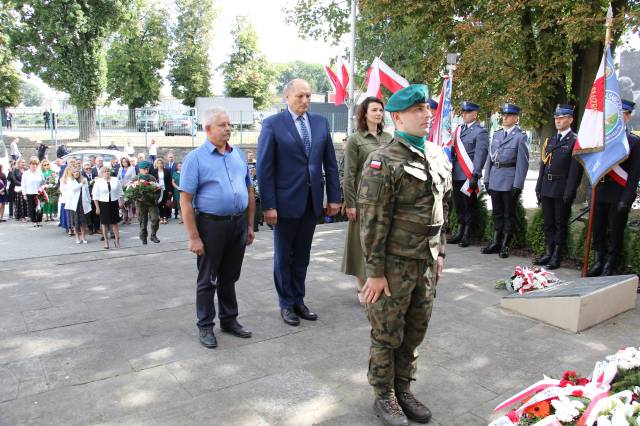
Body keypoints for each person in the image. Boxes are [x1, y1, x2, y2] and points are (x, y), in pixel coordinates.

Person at [358, 84, 451, 426]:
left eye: (427, 108)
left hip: (425, 264)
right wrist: (375, 272)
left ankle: (403, 388)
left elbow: (444, 212)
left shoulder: (438, 155)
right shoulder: (383, 160)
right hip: (393, 266)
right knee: (387, 332)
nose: (427, 114)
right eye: (418, 110)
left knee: (414, 331)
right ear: (397, 117)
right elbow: (372, 222)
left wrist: (440, 255)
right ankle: (384, 396)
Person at [256, 79, 341, 326]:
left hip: (311, 201)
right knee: (284, 256)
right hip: (283, 204)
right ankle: (286, 303)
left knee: (302, 255)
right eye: (300, 96)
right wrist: (268, 205)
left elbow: (331, 164)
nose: (305, 101)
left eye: (308, 96)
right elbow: (264, 168)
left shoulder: (320, 123)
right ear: (287, 97)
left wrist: (334, 197)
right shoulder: (272, 125)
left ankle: (299, 300)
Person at [180, 107, 255, 348]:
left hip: (238, 224)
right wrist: (193, 237)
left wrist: (250, 225)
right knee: (207, 279)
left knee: (229, 276)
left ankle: (229, 319)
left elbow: (249, 190)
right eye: (222, 125)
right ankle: (205, 325)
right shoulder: (195, 159)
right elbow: (186, 200)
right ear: (208, 129)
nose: (228, 129)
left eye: (229, 124)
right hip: (211, 226)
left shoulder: (238, 155)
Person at [341, 96, 392, 305]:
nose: (379, 113)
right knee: (361, 243)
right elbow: (349, 174)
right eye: (374, 110)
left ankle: (378, 281)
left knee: (380, 242)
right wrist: (350, 203)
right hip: (363, 201)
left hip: (385, 201)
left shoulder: (389, 137)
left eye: (381, 110)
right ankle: (361, 285)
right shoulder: (356, 139)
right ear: (364, 113)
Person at [587, 99, 640, 277]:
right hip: (600, 191)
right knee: (598, 228)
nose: (620, 117)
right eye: (617, 114)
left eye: (624, 114)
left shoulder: (633, 142)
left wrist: (627, 198)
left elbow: (634, 174)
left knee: (615, 230)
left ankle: (611, 262)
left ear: (628, 116)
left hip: (619, 193)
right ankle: (598, 260)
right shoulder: (603, 139)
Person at [534, 105, 583, 269]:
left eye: (562, 118)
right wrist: (538, 187)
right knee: (548, 223)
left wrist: (569, 192)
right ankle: (548, 252)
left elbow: (575, 171)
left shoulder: (575, 141)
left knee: (560, 223)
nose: (558, 121)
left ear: (570, 120)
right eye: (556, 118)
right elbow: (543, 166)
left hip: (562, 189)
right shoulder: (551, 140)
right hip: (547, 187)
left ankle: (557, 255)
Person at [482, 103, 529, 258]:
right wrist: (487, 178)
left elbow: (522, 163)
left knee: (509, 214)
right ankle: (496, 241)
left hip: (509, 180)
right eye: (504, 115)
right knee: (497, 212)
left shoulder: (520, 137)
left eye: (509, 115)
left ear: (516, 118)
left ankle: (505, 245)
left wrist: (518, 184)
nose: (505, 117)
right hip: (495, 178)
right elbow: (490, 159)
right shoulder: (496, 134)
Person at [447, 101, 489, 247]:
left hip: (468, 174)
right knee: (459, 204)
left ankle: (467, 234)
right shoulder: (458, 130)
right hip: (456, 172)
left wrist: (475, 174)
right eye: (463, 112)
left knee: (469, 205)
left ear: (475, 114)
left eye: (467, 112)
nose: (464, 114)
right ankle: (459, 231)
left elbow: (480, 154)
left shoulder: (480, 132)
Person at [92, 167, 123, 249]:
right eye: (104, 172)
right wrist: (97, 207)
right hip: (103, 204)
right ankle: (106, 241)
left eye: (108, 171)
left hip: (114, 203)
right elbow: (95, 196)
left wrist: (120, 202)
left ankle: (117, 241)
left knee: (115, 223)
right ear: (101, 174)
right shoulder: (98, 182)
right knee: (104, 223)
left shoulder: (115, 180)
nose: (106, 173)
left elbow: (120, 192)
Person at [132, 161, 160, 244]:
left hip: (152, 202)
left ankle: (153, 235)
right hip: (140, 203)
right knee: (143, 221)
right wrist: (137, 198)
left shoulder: (152, 178)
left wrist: (155, 198)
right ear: (140, 169)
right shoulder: (135, 178)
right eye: (144, 169)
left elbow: (158, 190)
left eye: (147, 169)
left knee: (155, 219)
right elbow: (131, 192)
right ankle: (143, 237)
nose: (146, 171)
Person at [63, 167, 92, 244]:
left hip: (83, 203)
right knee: (76, 223)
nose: (76, 173)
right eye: (74, 172)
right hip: (74, 204)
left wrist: (89, 201)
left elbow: (87, 191)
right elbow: (73, 189)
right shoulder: (70, 180)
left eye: (77, 172)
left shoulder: (84, 179)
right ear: (72, 173)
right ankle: (77, 237)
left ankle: (83, 237)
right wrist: (81, 183)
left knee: (83, 222)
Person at [22, 158, 45, 227]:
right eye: (32, 164)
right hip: (30, 193)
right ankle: (34, 221)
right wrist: (24, 194)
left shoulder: (39, 172)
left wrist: (42, 188)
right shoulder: (26, 173)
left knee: (40, 207)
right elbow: (23, 184)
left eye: (36, 164)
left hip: (39, 193)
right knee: (32, 208)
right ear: (30, 165)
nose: (34, 165)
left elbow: (43, 182)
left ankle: (39, 220)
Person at [152, 158, 173, 224]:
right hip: (158, 189)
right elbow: (152, 181)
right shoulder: (154, 171)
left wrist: (170, 190)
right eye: (158, 163)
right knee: (160, 204)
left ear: (163, 164)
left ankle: (165, 217)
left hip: (165, 189)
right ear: (156, 164)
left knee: (165, 203)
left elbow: (169, 181)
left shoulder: (167, 171)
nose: (160, 164)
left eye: (161, 163)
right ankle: (161, 217)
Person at [118, 157, 136, 224]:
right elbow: (118, 177)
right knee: (122, 202)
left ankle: (129, 218)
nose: (124, 163)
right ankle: (124, 217)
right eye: (123, 162)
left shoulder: (132, 168)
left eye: (125, 162)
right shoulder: (120, 169)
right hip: (121, 187)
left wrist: (128, 185)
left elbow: (133, 178)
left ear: (128, 162)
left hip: (129, 187)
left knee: (128, 202)